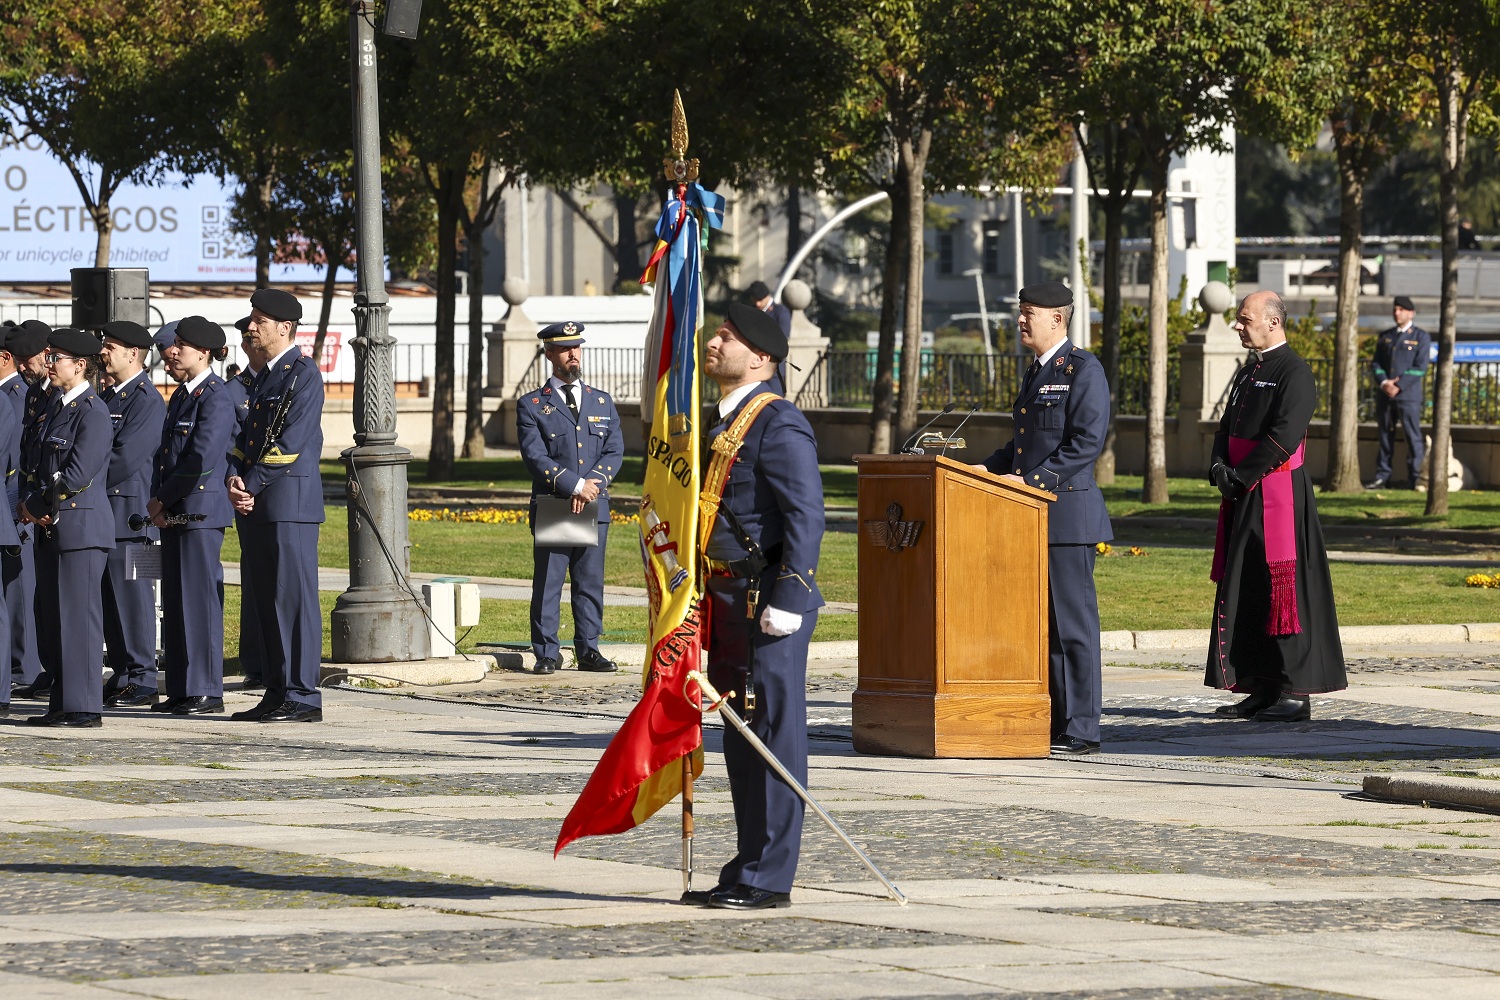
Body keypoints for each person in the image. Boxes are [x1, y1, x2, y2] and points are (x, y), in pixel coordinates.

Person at [680, 302, 823, 912]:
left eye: (728, 337)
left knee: (774, 736)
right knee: (740, 737)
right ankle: (746, 863)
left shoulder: (778, 423)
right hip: (729, 599)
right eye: (717, 333)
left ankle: (772, 876)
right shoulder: (716, 423)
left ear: (761, 358)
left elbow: (805, 516)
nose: (714, 342)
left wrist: (790, 595)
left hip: (770, 599)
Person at [972, 281, 1112, 756]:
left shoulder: (1082, 370)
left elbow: (1085, 443)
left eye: (1027, 313)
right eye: (1020, 312)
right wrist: (985, 469)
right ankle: (1055, 720)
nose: (1019, 321)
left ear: (1057, 317)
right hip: (1030, 518)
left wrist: (1031, 483)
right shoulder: (1037, 372)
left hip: (1067, 516)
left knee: (1073, 627)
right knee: (1045, 627)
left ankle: (1083, 727)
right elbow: (1026, 443)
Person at [1208, 291, 1347, 722]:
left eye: (1244, 318)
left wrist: (1241, 475)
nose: (1237, 325)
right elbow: (1226, 425)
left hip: (1277, 495)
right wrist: (1217, 467)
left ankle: (1291, 688)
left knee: (1282, 590)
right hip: (1246, 492)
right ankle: (1257, 685)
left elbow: (1284, 436)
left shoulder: (1295, 371)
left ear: (1272, 322)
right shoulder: (1250, 373)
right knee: (1249, 587)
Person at [226, 288, 325, 723]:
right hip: (257, 502)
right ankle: (277, 688)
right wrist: (235, 476)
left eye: (259, 320)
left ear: (284, 328)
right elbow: (242, 438)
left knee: (293, 599)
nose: (251, 326)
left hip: (288, 502)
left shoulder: (302, 374)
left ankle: (302, 695)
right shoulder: (262, 377)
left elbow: (290, 444)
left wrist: (251, 482)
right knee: (265, 599)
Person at [516, 321, 623, 675]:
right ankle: (547, 651)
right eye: (565, 349)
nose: (573, 354)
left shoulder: (602, 401)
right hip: (554, 503)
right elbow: (535, 457)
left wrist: (591, 484)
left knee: (590, 581)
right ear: (549, 354)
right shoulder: (532, 405)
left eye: (577, 347)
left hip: (595, 503)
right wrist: (574, 486)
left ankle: (589, 649)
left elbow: (614, 451)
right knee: (549, 581)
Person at [20, 328, 112, 727]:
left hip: (80, 528)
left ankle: (84, 706)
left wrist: (34, 504)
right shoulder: (55, 406)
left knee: (79, 619)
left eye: (56, 357)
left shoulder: (93, 411)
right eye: (49, 356)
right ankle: (62, 700)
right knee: (54, 619)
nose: (49, 363)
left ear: (80, 365)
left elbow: (76, 473)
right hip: (52, 526)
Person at [150, 316, 236, 715]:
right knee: (178, 601)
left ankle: (206, 690)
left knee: (199, 600)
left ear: (203, 353)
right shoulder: (184, 395)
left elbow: (200, 459)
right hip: (175, 510)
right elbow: (165, 457)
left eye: (181, 345)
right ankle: (183, 688)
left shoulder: (215, 396)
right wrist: (159, 500)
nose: (173, 351)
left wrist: (163, 499)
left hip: (199, 511)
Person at [97, 320, 167, 708]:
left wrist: (82, 481)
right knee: (112, 599)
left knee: (137, 599)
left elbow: (124, 459)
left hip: (134, 518)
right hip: (109, 516)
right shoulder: (110, 399)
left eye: (112, 346)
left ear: (133, 354)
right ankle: (123, 672)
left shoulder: (145, 400)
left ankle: (142, 677)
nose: (104, 351)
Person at [0, 321, 46, 699]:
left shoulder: (14, 394)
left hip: (16, 508)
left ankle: (26, 667)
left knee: (20, 591)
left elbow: (15, 462)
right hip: (15, 507)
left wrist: (17, 512)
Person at [224, 316, 264, 691]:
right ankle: (255, 660)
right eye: (246, 339)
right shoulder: (235, 390)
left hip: (269, 491)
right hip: (243, 495)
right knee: (252, 578)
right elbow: (229, 444)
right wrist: (235, 483)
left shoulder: (283, 382)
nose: (251, 342)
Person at [1366, 295, 1431, 491]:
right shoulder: (1385, 336)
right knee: (1386, 436)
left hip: (1408, 396)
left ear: (1411, 313)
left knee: (1413, 437)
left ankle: (1415, 477)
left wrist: (1399, 385)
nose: (1397, 313)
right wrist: (1385, 382)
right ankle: (1382, 477)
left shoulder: (1421, 337)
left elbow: (1420, 367)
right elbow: (1376, 363)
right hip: (1386, 395)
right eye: (1395, 309)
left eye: (1401, 310)